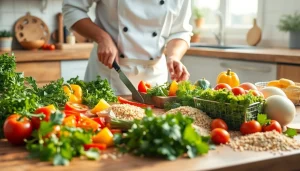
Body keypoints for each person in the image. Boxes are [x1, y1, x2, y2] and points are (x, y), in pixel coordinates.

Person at [62, 0, 193, 95]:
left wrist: (174, 56)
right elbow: (72, 8)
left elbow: (180, 30)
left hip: (154, 78)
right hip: (109, 71)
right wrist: (102, 38)